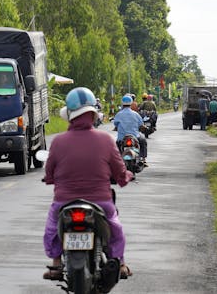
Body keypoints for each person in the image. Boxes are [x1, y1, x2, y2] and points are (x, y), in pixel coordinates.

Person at [42, 87, 134, 280]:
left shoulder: (58, 141)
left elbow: (49, 171)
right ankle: (120, 261)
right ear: (93, 114)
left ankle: (57, 263)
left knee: (52, 224)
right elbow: (119, 170)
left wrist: (50, 179)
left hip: (64, 201)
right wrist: (125, 177)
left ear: (70, 115)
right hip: (100, 201)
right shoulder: (105, 140)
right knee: (114, 226)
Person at [112, 94, 148, 161]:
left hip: (122, 138)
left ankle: (116, 160)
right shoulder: (135, 114)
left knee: (116, 147)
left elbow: (115, 124)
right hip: (134, 137)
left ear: (122, 103)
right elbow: (141, 124)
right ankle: (143, 159)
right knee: (143, 140)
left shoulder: (118, 114)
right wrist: (143, 127)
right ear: (131, 103)